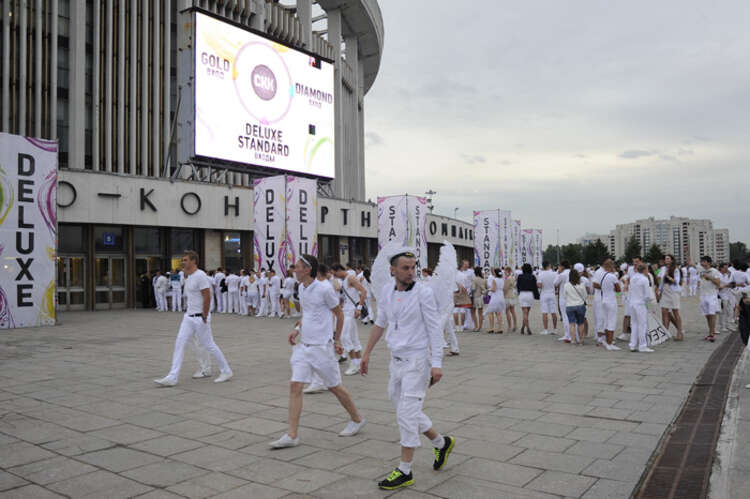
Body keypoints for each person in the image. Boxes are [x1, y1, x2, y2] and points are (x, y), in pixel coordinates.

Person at [361, 248, 456, 491]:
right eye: (405, 267)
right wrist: (367, 352)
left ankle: (405, 470)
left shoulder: (423, 293)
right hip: (397, 361)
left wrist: (437, 364)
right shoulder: (386, 291)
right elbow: (381, 322)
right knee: (401, 407)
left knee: (406, 414)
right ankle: (441, 442)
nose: (411, 272)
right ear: (393, 270)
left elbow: (435, 329)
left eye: (413, 267)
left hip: (417, 362)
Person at [269, 254, 366, 449]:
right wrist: (296, 329)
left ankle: (357, 419)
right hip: (304, 347)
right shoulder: (302, 288)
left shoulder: (324, 289)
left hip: (322, 348)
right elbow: (308, 314)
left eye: (297, 267)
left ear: (307, 270)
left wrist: (337, 340)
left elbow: (338, 313)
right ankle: (292, 435)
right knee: (295, 386)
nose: (293, 270)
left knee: (335, 387)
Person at [154, 251, 233, 387]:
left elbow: (207, 295)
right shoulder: (188, 276)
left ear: (193, 261)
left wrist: (205, 314)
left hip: (199, 317)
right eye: (182, 260)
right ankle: (172, 376)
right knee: (179, 343)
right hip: (188, 317)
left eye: (185, 260)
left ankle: (226, 371)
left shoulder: (200, 275)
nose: (183, 262)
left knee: (209, 345)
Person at [331, 263, 368, 376]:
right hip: (345, 310)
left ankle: (353, 363)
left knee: (344, 337)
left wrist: (359, 308)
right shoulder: (343, 280)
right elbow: (343, 295)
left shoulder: (350, 278)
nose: (335, 276)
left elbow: (364, 292)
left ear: (339, 270)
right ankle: (358, 363)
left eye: (335, 274)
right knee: (353, 337)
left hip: (351, 311)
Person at [628, 263, 655, 353]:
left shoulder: (633, 278)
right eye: (647, 269)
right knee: (642, 325)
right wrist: (648, 302)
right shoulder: (644, 279)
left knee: (634, 324)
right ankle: (642, 345)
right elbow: (648, 295)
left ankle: (632, 344)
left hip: (632, 303)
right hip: (640, 303)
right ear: (644, 270)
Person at [595, 259, 622, 350]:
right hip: (611, 301)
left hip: (604, 300)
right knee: (611, 322)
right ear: (610, 266)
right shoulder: (612, 276)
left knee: (606, 321)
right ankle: (610, 343)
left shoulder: (602, 275)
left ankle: (607, 341)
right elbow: (618, 289)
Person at [658, 254, 684, 341]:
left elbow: (676, 281)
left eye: (668, 258)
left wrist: (667, 276)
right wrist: (659, 291)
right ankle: (665, 333)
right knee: (664, 312)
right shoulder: (662, 269)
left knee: (675, 312)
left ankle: (680, 332)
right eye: (666, 259)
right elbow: (660, 281)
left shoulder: (676, 269)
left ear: (672, 260)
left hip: (673, 292)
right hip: (665, 291)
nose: (667, 260)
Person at [699, 256, 722, 342]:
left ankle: (712, 334)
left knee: (712, 314)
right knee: (707, 315)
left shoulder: (714, 271)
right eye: (701, 261)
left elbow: (718, 283)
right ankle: (710, 332)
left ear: (708, 262)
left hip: (711, 295)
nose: (702, 263)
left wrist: (708, 277)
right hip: (703, 295)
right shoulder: (702, 271)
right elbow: (691, 263)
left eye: (704, 261)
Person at [563, 268, 587, 344]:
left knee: (572, 324)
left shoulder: (566, 285)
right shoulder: (582, 284)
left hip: (570, 306)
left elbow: (564, 296)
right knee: (580, 323)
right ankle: (580, 340)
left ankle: (573, 340)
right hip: (580, 305)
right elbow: (585, 295)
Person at [516, 263, 538, 334]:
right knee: (527, 313)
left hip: (522, 294)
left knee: (524, 313)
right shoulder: (533, 276)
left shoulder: (520, 276)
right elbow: (535, 287)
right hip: (530, 294)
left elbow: (518, 286)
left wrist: (519, 292)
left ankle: (526, 327)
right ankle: (524, 327)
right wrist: (537, 296)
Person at [537, 261, 557, 335]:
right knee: (553, 311)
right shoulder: (554, 273)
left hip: (544, 294)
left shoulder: (541, 274)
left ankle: (545, 330)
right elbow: (556, 284)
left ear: (543, 266)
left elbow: (539, 285)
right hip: (552, 293)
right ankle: (555, 329)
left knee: (544, 312)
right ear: (549, 265)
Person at [554, 261, 571, 341]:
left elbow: (555, 283)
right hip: (572, 297)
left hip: (563, 297)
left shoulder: (562, 274)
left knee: (565, 317)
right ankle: (573, 334)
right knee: (572, 317)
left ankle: (567, 335)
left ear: (562, 267)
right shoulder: (572, 273)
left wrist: (558, 273)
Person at [486, 268, 505, 334]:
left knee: (491, 312)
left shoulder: (495, 280)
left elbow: (494, 289)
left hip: (495, 296)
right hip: (501, 295)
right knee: (499, 313)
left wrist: (488, 290)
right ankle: (500, 328)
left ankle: (491, 328)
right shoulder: (502, 280)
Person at [470, 267, 487, 332]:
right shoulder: (483, 279)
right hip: (481, 297)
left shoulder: (474, 279)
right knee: (480, 313)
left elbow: (473, 288)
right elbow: (487, 288)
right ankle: (480, 327)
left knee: (473, 312)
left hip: (475, 297)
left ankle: (476, 326)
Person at [719, 263, 734, 333]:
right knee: (723, 311)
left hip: (729, 294)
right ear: (721, 268)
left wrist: (729, 285)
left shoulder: (727, 275)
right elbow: (719, 286)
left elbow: (730, 284)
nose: (727, 269)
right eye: (725, 268)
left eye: (727, 268)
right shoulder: (718, 275)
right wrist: (727, 285)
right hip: (722, 295)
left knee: (730, 311)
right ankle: (723, 326)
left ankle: (729, 325)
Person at [503, 266, 518, 332]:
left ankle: (510, 326)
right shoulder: (512, 277)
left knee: (507, 311)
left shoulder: (508, 279)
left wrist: (502, 294)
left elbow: (505, 288)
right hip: (512, 295)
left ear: (508, 271)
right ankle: (515, 325)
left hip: (508, 295)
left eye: (505, 271)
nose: (504, 272)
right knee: (513, 311)